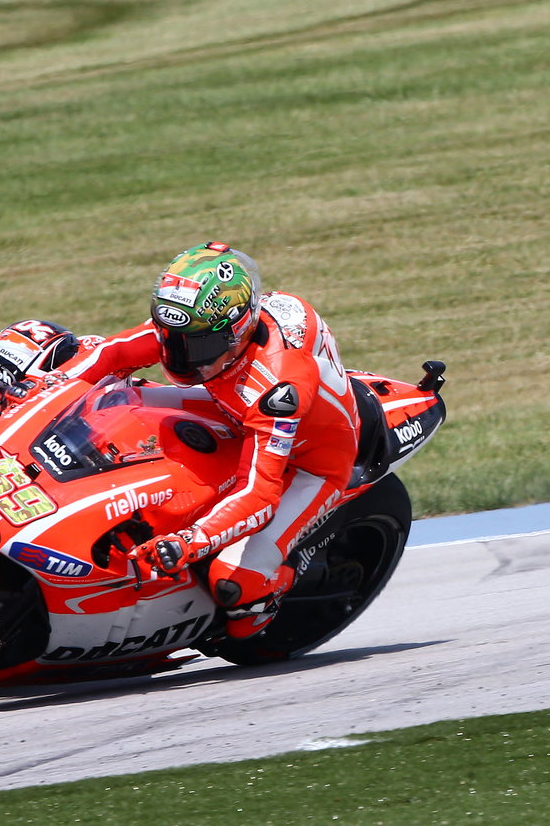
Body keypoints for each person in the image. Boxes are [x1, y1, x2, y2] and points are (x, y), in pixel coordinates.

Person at [63, 242, 360, 640]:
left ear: (236, 330)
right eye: (170, 338)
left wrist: (191, 541)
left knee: (232, 585)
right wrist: (51, 385)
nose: (178, 356)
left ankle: (268, 597)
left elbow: (259, 494)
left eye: (195, 346)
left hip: (308, 464)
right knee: (112, 403)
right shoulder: (194, 324)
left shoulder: (277, 387)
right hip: (230, 408)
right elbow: (111, 353)